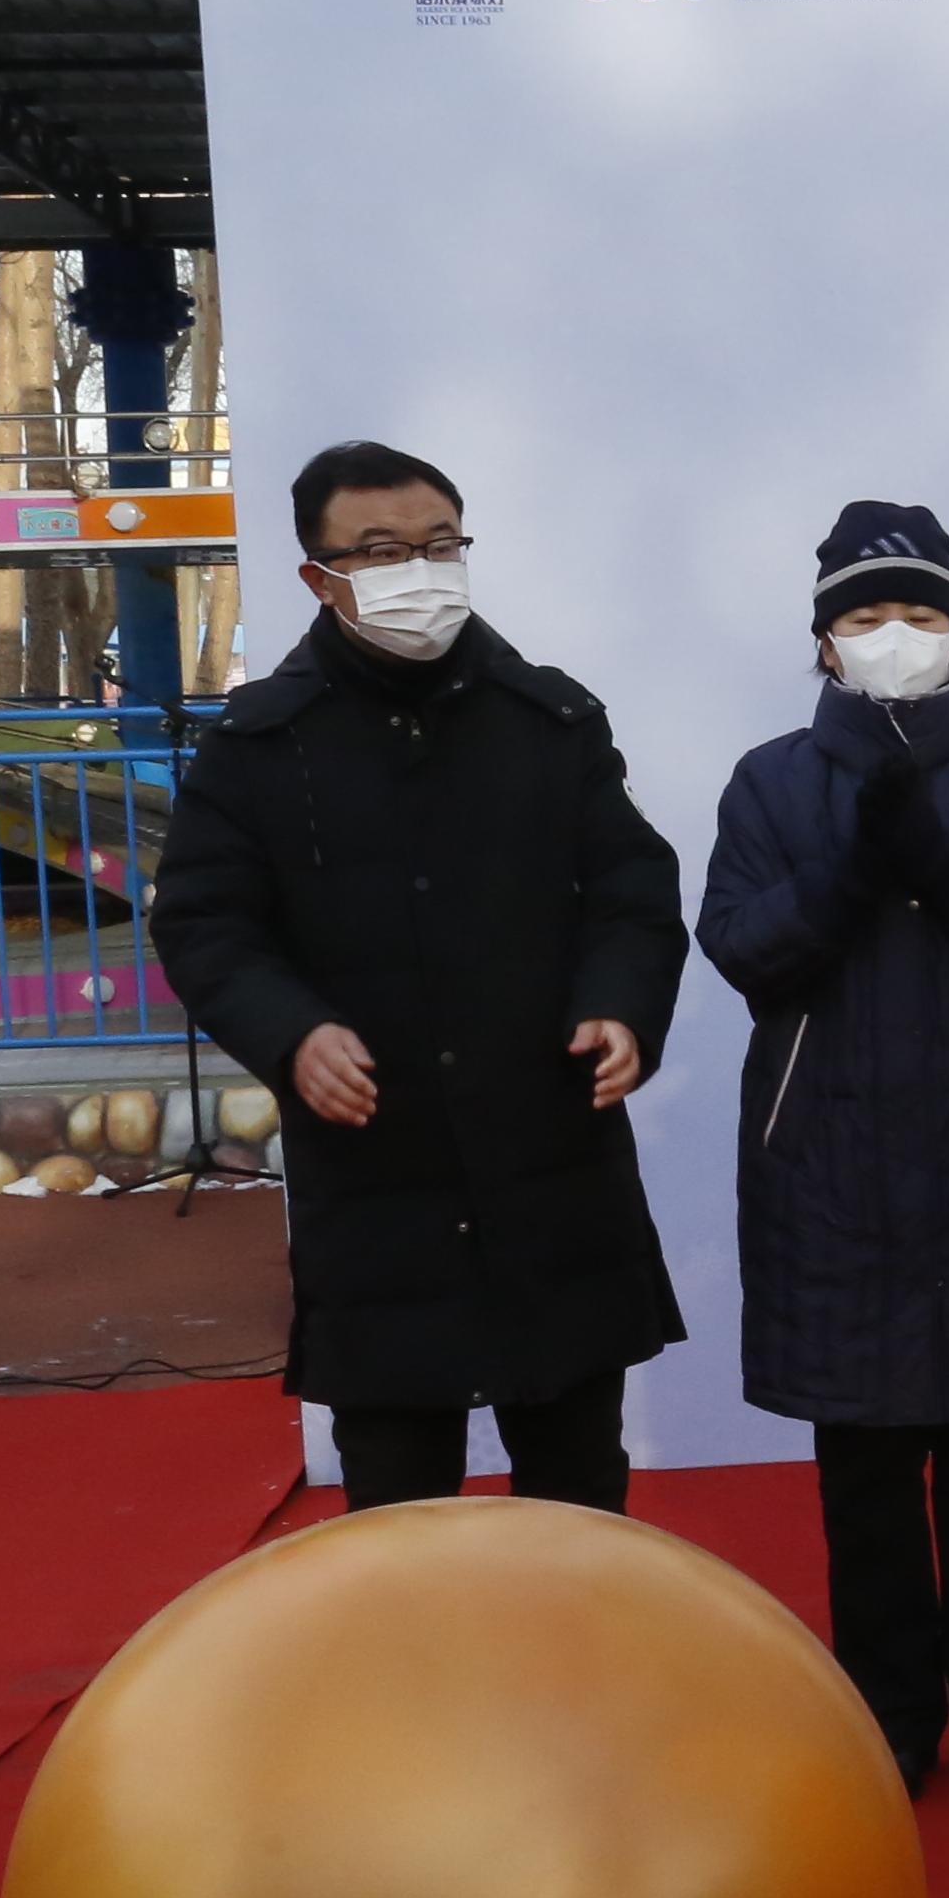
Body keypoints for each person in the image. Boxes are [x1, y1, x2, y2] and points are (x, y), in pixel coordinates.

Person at [156, 441, 688, 1510]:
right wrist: (292, 1031)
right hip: (377, 1170)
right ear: (320, 577)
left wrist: (620, 1005)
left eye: (441, 544)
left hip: (550, 1156)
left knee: (577, 1492)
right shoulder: (260, 745)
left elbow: (632, 888)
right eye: (382, 551)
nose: (421, 571)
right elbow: (206, 922)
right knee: (399, 1510)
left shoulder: (550, 719)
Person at [698, 502, 949, 1804]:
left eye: (919, 613)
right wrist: (849, 872)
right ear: (824, 642)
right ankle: (887, 1713)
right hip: (831, 1168)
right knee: (862, 1474)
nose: (894, 636)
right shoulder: (770, 781)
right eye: (866, 617)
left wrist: (934, 859)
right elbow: (744, 947)